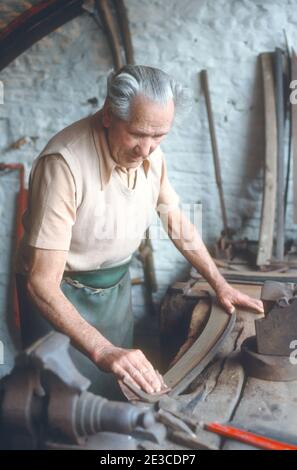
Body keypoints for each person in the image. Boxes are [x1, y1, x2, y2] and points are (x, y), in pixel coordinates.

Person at [15, 65, 263, 400]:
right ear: (107, 115)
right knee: (62, 406)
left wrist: (220, 284)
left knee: (114, 399)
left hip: (114, 293)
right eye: (136, 134)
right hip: (59, 296)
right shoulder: (64, 164)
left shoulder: (152, 155)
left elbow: (175, 218)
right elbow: (41, 282)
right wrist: (103, 350)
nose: (146, 149)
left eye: (158, 136)